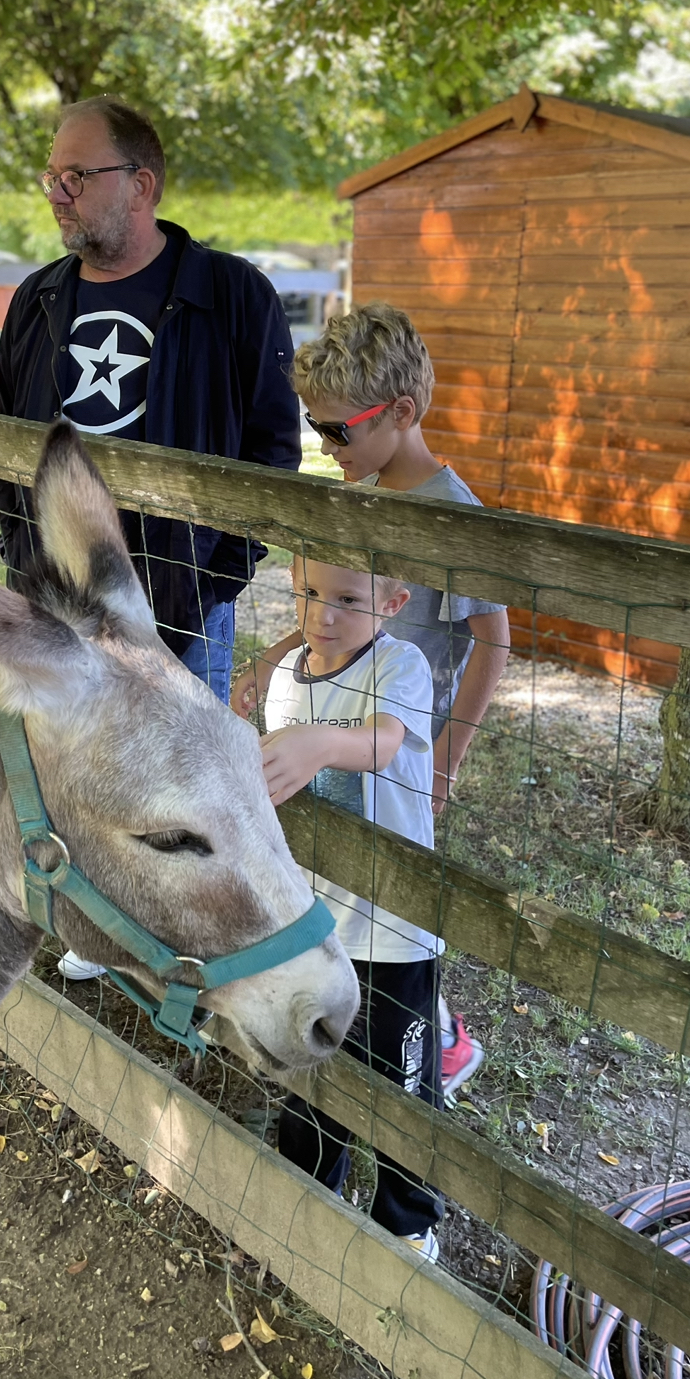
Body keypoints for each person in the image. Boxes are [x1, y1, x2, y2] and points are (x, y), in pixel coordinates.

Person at [0, 95, 300, 982]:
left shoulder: (232, 297)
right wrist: (24, 560)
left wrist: (217, 581)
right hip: (62, 610)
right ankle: (104, 928)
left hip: (182, 607)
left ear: (143, 184)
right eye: (54, 176)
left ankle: (221, 954)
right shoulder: (36, 302)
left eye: (78, 176)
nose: (59, 193)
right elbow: (7, 447)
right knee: (80, 777)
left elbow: (272, 458)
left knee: (188, 789)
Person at [232, 301, 511, 1099]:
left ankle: (439, 1042)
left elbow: (494, 643)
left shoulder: (453, 517)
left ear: (401, 413)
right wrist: (276, 654)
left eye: (338, 432)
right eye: (316, 430)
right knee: (347, 889)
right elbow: (337, 608)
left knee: (397, 908)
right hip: (340, 723)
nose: (326, 447)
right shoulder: (358, 497)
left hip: (400, 744)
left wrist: (446, 760)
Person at [259, 552, 444, 1263]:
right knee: (311, 1060)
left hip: (395, 927)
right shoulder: (284, 677)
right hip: (314, 923)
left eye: (346, 598)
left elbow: (384, 741)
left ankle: (406, 1216)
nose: (322, 614)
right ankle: (310, 1182)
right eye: (307, 592)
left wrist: (319, 743)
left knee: (400, 1077)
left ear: (395, 600)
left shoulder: (399, 667)